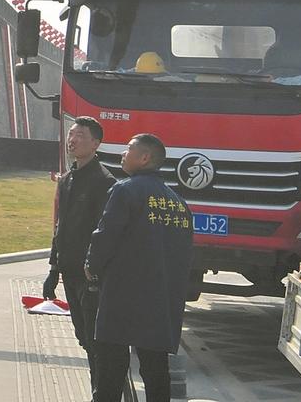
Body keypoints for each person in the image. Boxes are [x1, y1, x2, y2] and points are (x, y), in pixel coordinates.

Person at [85, 133, 194, 402]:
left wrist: (91, 266)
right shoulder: (179, 204)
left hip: (123, 294)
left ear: (145, 158)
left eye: (128, 149)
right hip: (161, 297)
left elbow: (105, 235)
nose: (123, 153)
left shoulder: (125, 190)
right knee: (156, 368)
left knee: (111, 365)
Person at [43, 116, 114, 390]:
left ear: (96, 143)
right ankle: (99, 389)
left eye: (81, 135)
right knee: (83, 337)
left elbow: (103, 231)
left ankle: (103, 392)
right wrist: (53, 269)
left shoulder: (104, 182)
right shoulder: (68, 179)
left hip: (90, 275)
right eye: (71, 134)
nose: (73, 140)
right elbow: (60, 227)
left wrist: (93, 269)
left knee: (96, 340)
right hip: (69, 272)